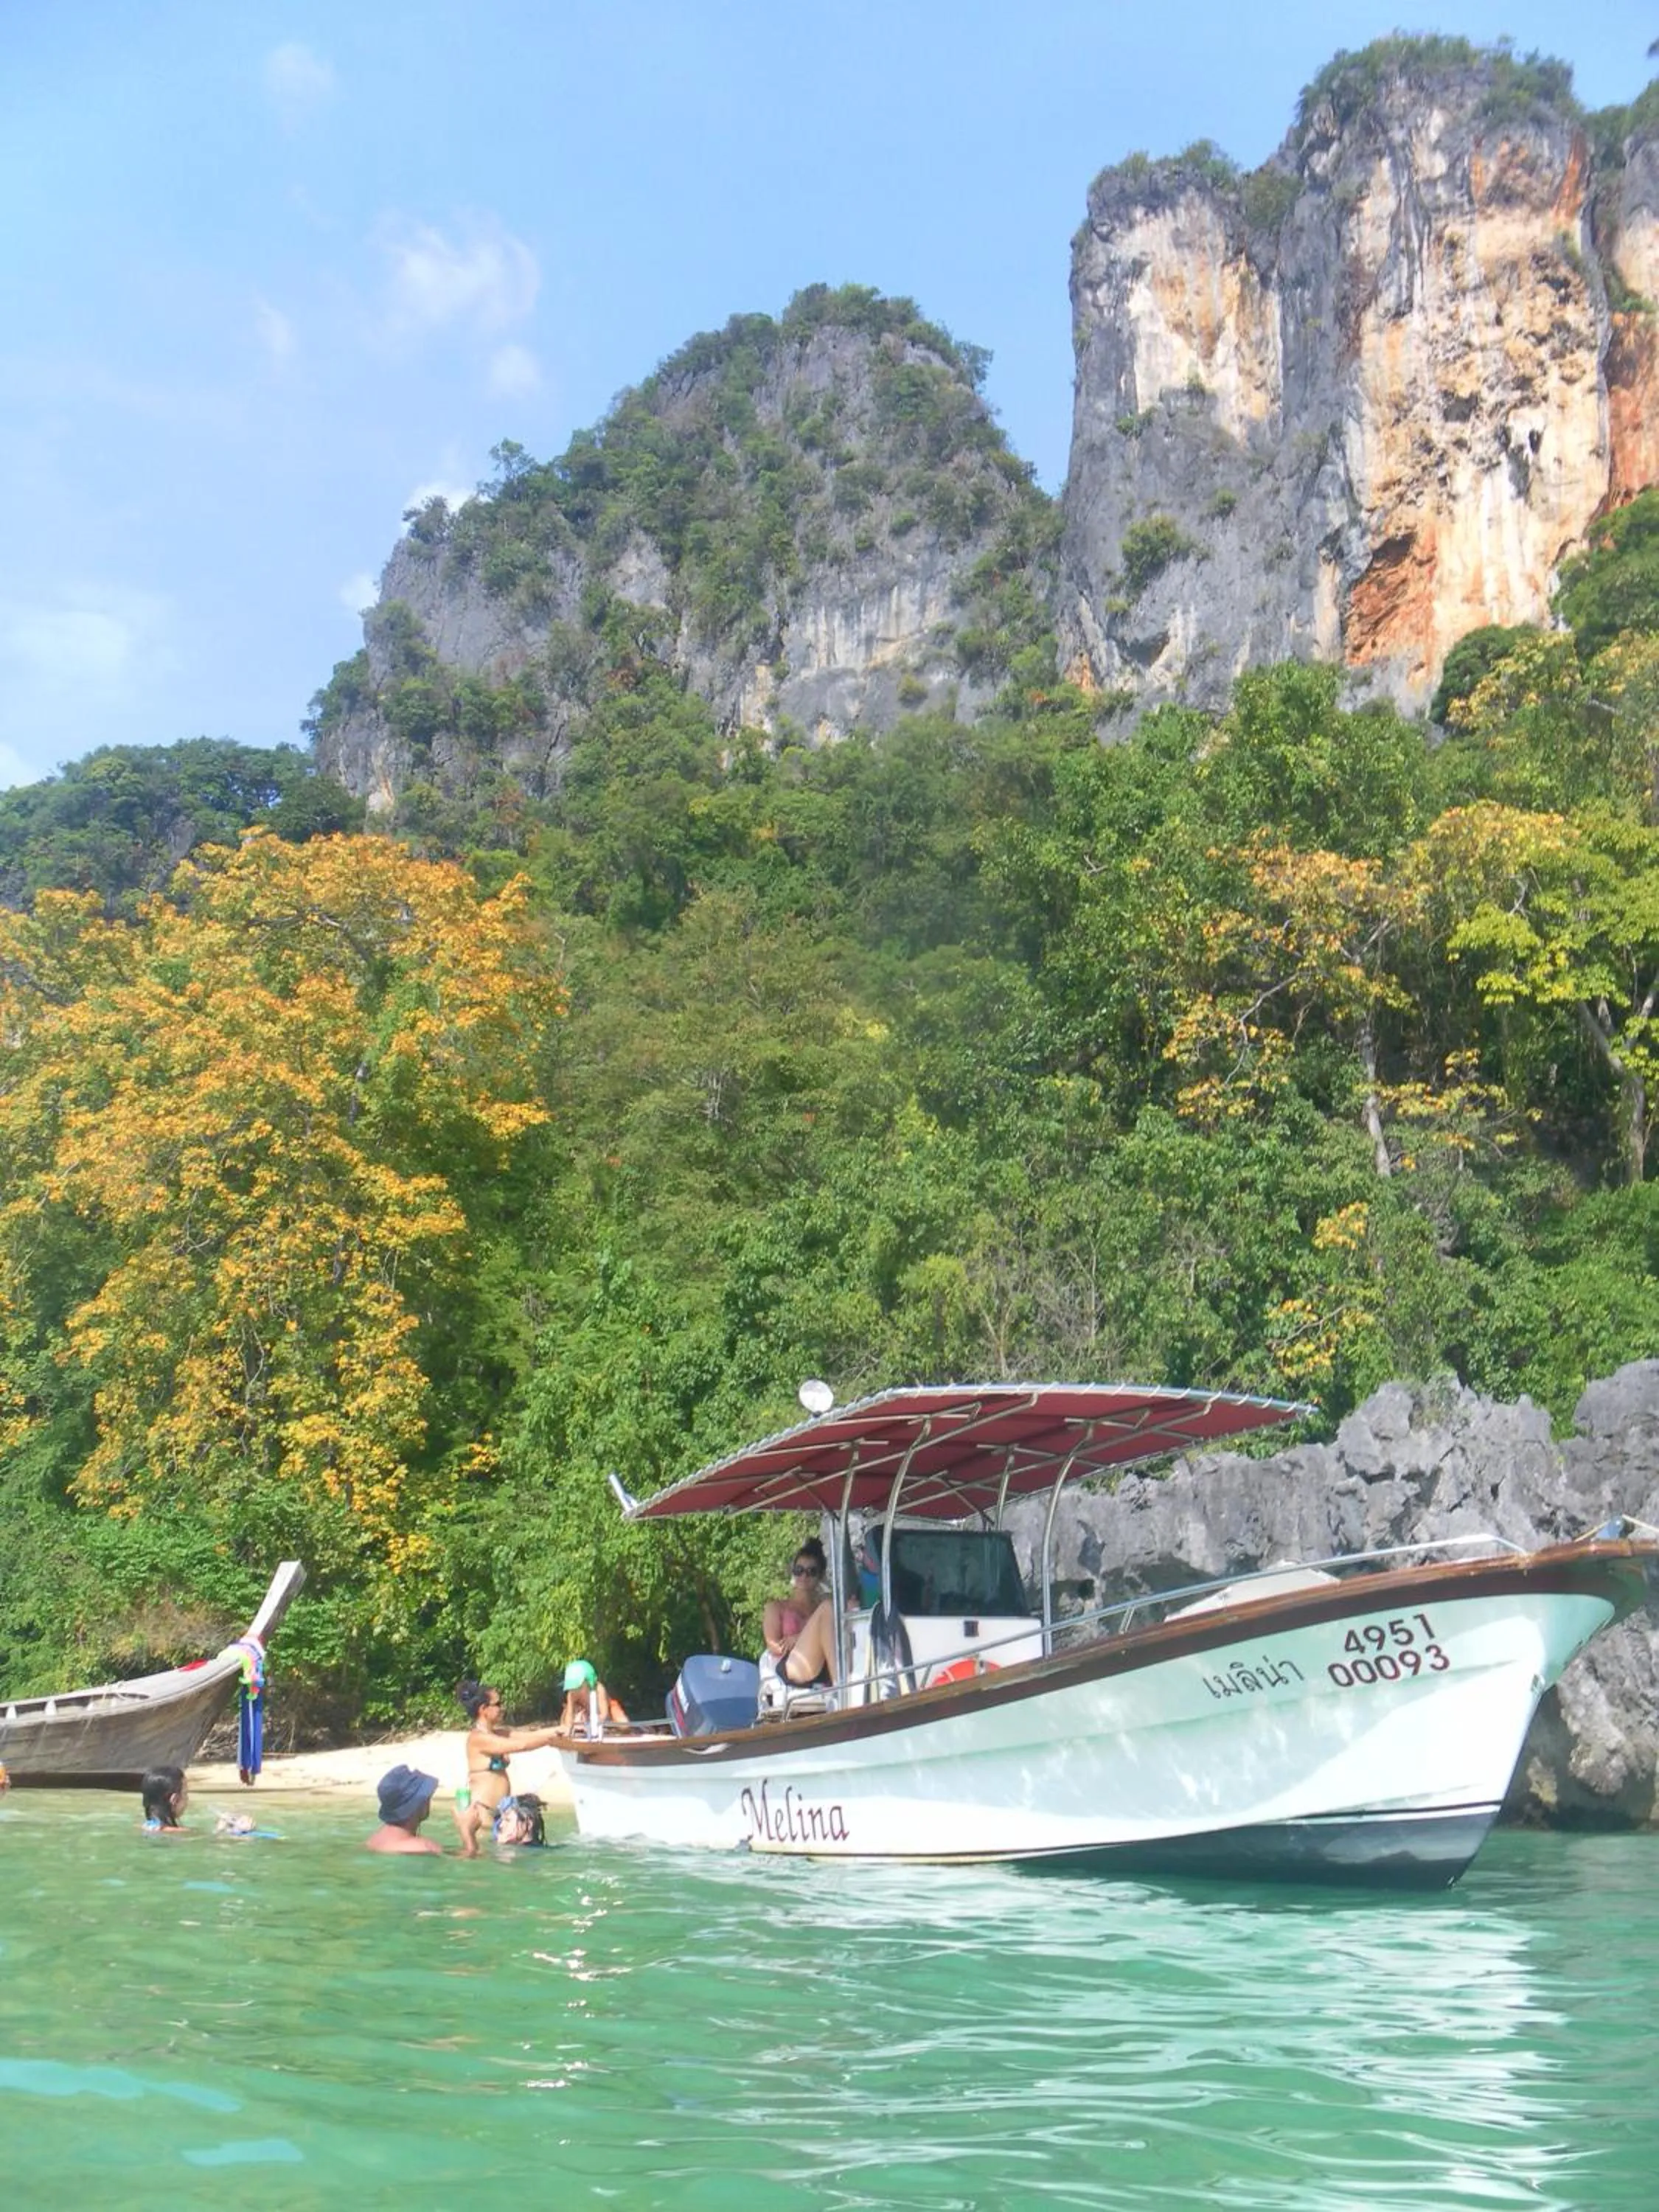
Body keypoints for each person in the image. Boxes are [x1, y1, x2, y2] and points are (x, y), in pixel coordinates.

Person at [455, 1680, 565, 1857]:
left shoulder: (496, 1734)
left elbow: (530, 1736)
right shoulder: (477, 1739)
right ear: (484, 1709)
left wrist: (560, 1730)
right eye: (498, 1704)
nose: (502, 1708)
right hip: (482, 1816)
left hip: (497, 1816)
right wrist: (551, 1740)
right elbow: (521, 1745)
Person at [762, 1537, 838, 1688]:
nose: (804, 1576)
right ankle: (842, 1687)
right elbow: (775, 1647)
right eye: (799, 1570)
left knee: (833, 1608)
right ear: (793, 1572)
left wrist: (797, 1638)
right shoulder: (777, 1607)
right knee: (828, 1607)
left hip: (823, 1665)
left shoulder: (823, 1608)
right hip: (793, 1665)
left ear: (821, 1576)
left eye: (811, 1572)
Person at [366, 1764, 442, 1854]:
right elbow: (461, 1859)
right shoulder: (425, 1847)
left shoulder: (372, 1841)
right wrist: (463, 1825)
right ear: (418, 1804)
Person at [557, 1658, 630, 1736]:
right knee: (565, 1720)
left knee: (624, 1725)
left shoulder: (599, 1689)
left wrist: (591, 1723)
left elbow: (604, 1715)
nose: (575, 1689)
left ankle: (613, 1731)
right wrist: (568, 1728)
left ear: (588, 1680)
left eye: (579, 1685)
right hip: (587, 1713)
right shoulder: (572, 1694)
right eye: (572, 1685)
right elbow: (570, 1714)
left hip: (608, 1710)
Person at [140, 1764, 190, 1832]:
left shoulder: (143, 1827)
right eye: (185, 1793)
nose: (187, 1800)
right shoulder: (183, 1832)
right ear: (174, 1800)